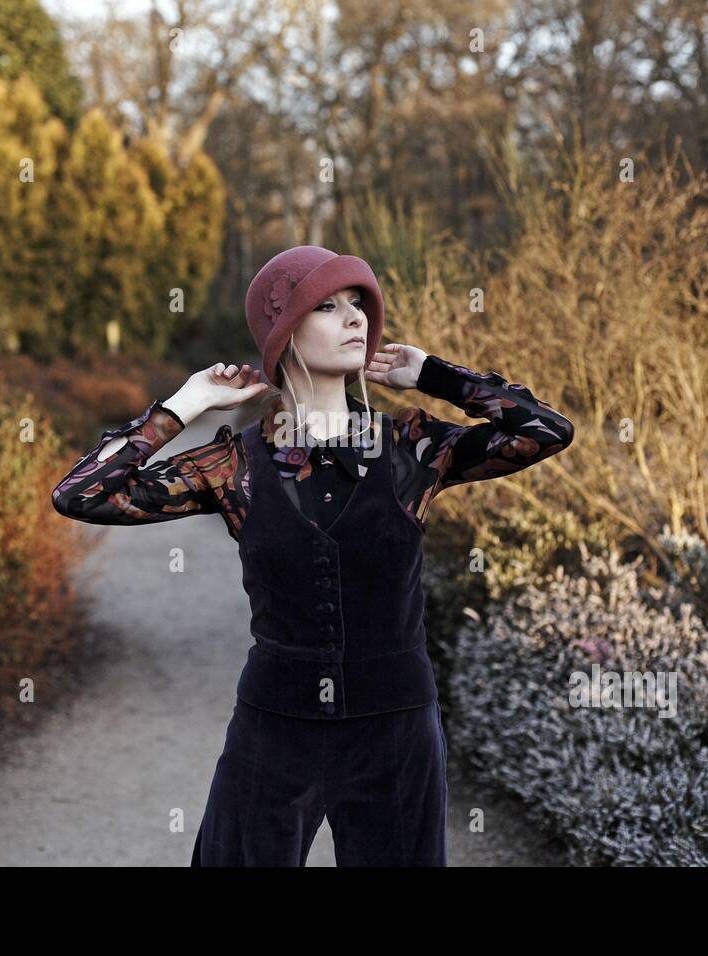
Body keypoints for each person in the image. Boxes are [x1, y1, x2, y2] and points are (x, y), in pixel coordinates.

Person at [51, 245, 575, 865]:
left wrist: (434, 375)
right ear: (284, 333)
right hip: (275, 727)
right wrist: (184, 406)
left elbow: (545, 431)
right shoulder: (234, 465)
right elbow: (81, 494)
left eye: (360, 305)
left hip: (396, 728)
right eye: (327, 306)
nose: (356, 318)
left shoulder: (412, 448)